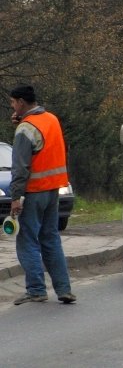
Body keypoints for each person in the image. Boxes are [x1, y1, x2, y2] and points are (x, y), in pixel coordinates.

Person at [8, 85, 76, 305]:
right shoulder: (51, 119)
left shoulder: (25, 129)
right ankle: (64, 289)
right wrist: (22, 122)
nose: (12, 106)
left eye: (13, 102)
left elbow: (20, 168)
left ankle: (36, 290)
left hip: (33, 192)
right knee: (50, 238)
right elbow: (45, 147)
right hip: (53, 189)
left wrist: (16, 197)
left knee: (27, 240)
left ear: (20, 102)